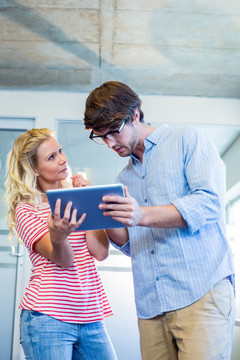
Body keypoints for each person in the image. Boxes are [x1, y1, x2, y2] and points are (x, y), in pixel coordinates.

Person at [83, 81, 236, 360]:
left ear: (136, 115)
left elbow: (210, 203)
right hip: (151, 306)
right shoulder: (123, 179)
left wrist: (141, 215)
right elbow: (131, 243)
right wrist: (100, 211)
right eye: (101, 137)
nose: (110, 143)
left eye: (114, 133)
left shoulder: (187, 139)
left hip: (200, 294)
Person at [5, 128, 117, 360]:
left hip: (90, 316)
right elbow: (64, 260)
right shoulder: (27, 211)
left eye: (60, 151)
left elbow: (100, 252)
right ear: (34, 169)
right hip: (47, 317)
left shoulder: (77, 196)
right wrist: (58, 235)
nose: (63, 159)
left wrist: (89, 200)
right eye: (51, 157)